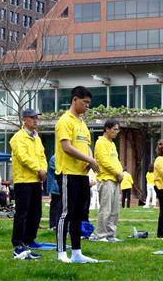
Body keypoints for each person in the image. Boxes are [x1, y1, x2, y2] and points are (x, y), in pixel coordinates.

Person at [55, 86, 100, 264]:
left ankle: (76, 252)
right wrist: (89, 160)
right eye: (85, 102)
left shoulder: (82, 123)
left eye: (89, 103)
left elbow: (86, 146)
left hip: (82, 175)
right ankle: (60, 252)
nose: (88, 106)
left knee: (78, 214)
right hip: (68, 173)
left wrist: (90, 160)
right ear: (75, 100)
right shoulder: (65, 121)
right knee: (66, 213)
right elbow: (66, 147)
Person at [10, 109, 47, 260]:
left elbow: (42, 155)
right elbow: (23, 157)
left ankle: (29, 240)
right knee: (22, 213)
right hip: (23, 180)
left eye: (36, 118)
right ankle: (18, 243)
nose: (35, 120)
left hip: (36, 179)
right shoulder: (18, 138)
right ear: (24, 119)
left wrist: (43, 170)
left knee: (35, 212)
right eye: (32, 118)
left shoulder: (37, 137)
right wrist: (38, 169)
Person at [91, 119, 124, 242]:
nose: (117, 132)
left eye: (118, 129)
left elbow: (116, 161)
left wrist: (121, 173)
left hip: (115, 180)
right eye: (115, 129)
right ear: (107, 129)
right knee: (105, 209)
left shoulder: (112, 144)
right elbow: (104, 162)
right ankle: (101, 235)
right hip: (106, 180)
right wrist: (117, 173)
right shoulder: (101, 142)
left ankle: (110, 235)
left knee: (115, 211)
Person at [47, 155, 61, 229]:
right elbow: (58, 170)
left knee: (60, 206)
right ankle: (53, 225)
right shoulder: (54, 158)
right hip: (55, 186)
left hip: (59, 186)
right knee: (55, 206)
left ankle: (58, 224)